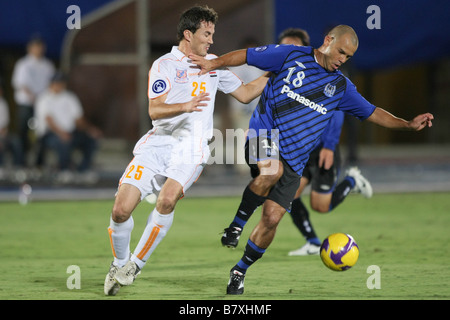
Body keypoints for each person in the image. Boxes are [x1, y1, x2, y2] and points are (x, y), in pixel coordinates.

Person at [189, 24, 434, 295]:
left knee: (271, 218)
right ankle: (236, 226)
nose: (343, 59)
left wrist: (407, 124)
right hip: (262, 135)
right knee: (270, 172)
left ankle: (240, 270)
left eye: (348, 57)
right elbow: (247, 55)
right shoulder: (290, 55)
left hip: (295, 162)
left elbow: (373, 112)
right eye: (341, 51)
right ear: (328, 40)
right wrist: (214, 64)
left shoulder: (341, 87)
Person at [103, 5, 269, 296]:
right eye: (207, 34)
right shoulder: (164, 65)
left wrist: (274, 72)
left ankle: (136, 264)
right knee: (120, 210)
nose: (211, 41)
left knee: (166, 201)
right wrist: (185, 105)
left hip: (192, 149)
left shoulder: (214, 64)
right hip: (157, 143)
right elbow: (155, 110)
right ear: (188, 34)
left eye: (213, 34)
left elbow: (244, 93)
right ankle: (119, 264)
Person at [34, 72, 101, 176]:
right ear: (51, 84)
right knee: (63, 142)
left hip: (70, 132)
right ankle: (63, 170)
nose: (60, 85)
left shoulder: (70, 97)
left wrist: (90, 129)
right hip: (50, 134)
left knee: (91, 139)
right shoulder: (44, 99)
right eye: (58, 82)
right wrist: (61, 133)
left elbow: (78, 119)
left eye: (62, 82)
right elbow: (49, 120)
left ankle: (83, 169)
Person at [11, 36, 55, 166]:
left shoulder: (47, 65)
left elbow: (51, 84)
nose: (38, 49)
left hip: (42, 105)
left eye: (40, 46)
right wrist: (34, 97)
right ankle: (20, 161)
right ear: (30, 48)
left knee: (42, 133)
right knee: (23, 132)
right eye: (35, 46)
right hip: (26, 104)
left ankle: (39, 162)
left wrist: (42, 100)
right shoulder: (23, 64)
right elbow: (20, 84)